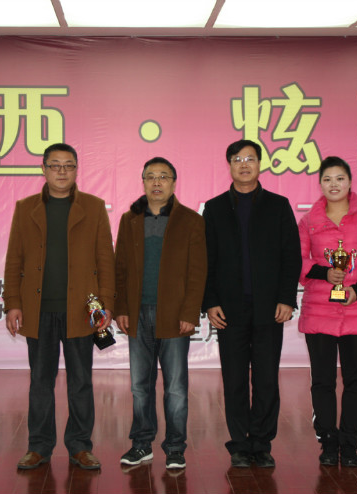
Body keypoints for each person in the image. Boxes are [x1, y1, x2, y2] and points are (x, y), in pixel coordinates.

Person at [3, 143, 115, 471]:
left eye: (68, 165)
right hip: (38, 309)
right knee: (41, 381)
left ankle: (80, 446)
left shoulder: (93, 207)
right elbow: (14, 260)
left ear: (77, 169)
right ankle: (39, 447)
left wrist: (106, 304)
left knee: (81, 381)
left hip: (81, 309)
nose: (62, 171)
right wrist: (13, 303)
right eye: (55, 165)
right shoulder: (25, 208)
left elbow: (105, 260)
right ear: (44, 169)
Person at [202, 139, 302, 468]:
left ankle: (261, 442)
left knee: (266, 379)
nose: (244, 164)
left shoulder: (278, 205)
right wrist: (210, 301)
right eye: (237, 159)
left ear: (260, 164)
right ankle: (239, 444)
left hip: (268, 307)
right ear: (229, 165)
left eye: (250, 159)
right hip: (229, 309)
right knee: (233, 380)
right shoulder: (215, 208)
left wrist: (286, 298)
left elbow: (291, 255)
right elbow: (206, 259)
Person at [114, 157, 207, 470]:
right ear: (143, 182)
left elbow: (197, 272)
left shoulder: (191, 221)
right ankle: (141, 444)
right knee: (140, 385)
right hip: (137, 313)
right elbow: (120, 267)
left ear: (174, 183)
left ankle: (175, 447)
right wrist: (121, 309)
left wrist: (190, 313)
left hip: (175, 315)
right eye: (150, 176)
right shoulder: (129, 219)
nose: (157, 182)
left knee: (176, 387)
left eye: (163, 176)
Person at [297, 156, 357, 467]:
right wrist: (324, 273)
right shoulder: (309, 221)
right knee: (322, 381)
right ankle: (327, 440)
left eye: (339, 178)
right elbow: (297, 259)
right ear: (320, 184)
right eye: (327, 179)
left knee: (354, 381)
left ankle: (349, 445)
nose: (333, 184)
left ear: (350, 182)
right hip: (319, 310)